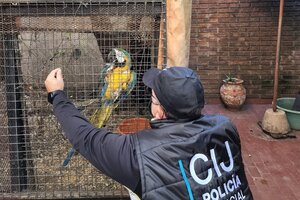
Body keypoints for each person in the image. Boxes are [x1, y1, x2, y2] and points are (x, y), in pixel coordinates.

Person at [45, 67, 253, 200]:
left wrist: (57, 95)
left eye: (153, 99)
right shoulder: (226, 127)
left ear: (160, 112)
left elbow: (86, 138)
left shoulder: (140, 155)